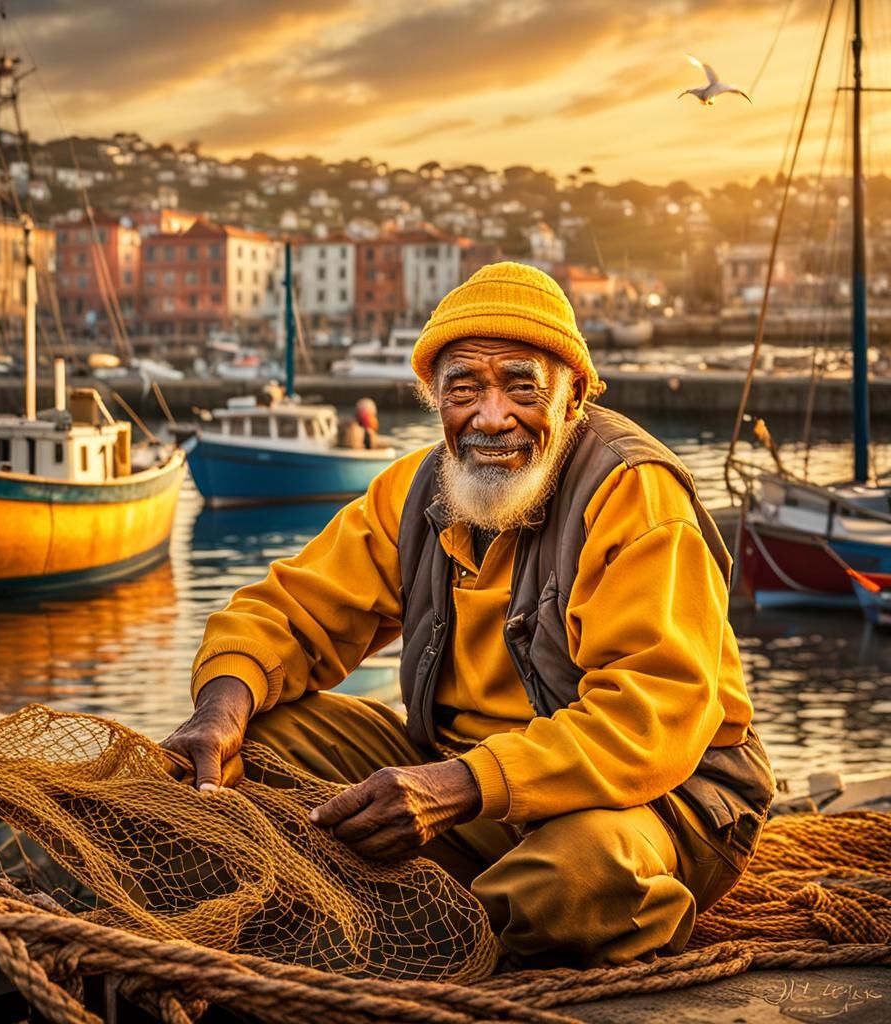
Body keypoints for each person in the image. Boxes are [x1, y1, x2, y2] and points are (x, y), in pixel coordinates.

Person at [163, 262, 774, 968]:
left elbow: (651, 717)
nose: (490, 417)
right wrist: (219, 707)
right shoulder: (414, 490)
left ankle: (620, 916)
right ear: (434, 399)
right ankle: (436, 912)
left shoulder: (632, 493)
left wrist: (455, 788)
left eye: (522, 386)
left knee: (564, 881)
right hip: (469, 789)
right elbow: (291, 611)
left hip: (659, 799)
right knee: (262, 733)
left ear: (573, 397)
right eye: (464, 390)